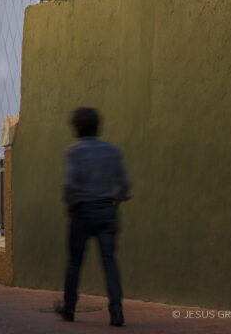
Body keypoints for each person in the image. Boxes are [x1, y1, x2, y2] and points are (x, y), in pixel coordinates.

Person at [55, 107, 131, 327]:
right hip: (107, 210)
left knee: (75, 261)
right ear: (98, 126)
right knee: (109, 261)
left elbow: (69, 184)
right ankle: (116, 311)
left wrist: (70, 203)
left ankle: (69, 308)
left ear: (77, 128)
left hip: (82, 212)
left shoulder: (74, 152)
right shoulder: (112, 150)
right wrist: (117, 199)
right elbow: (125, 183)